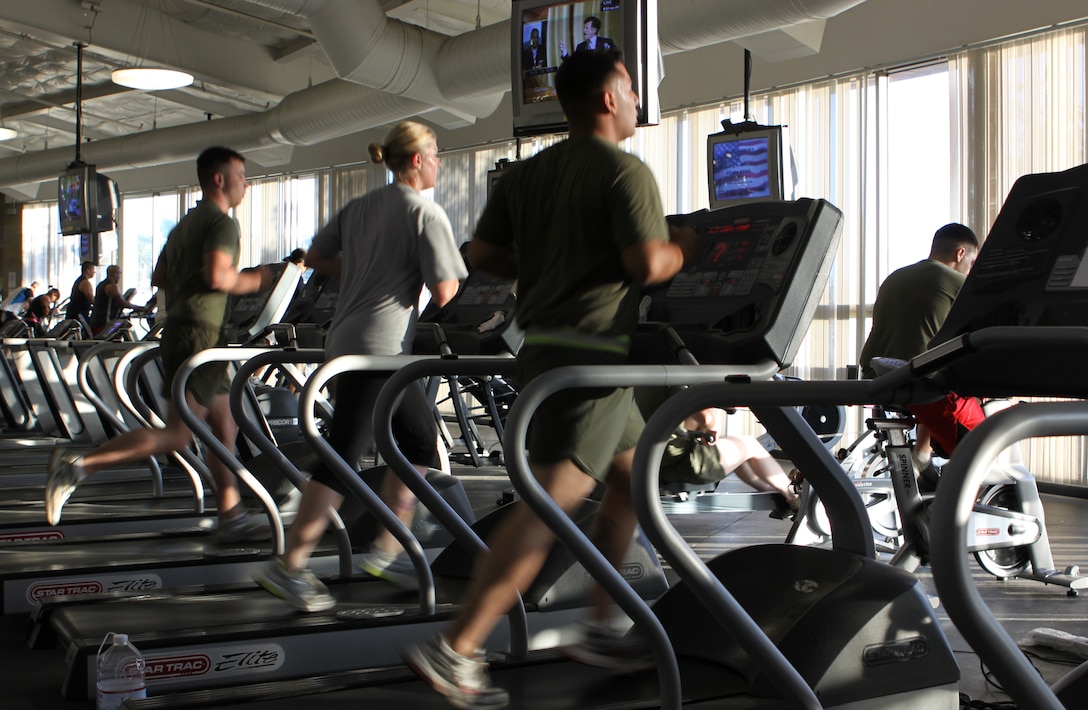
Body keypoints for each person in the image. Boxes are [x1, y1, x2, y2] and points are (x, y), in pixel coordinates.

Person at [402, 49, 699, 709]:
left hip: (553, 351)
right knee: (549, 508)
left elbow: (482, 255)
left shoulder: (527, 176)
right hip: (591, 362)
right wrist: (688, 246)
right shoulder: (626, 172)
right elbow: (647, 261)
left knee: (630, 479)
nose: (637, 102)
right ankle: (457, 648)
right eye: (631, 89)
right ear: (607, 97)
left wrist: (551, 268)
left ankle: (601, 624)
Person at [255, 121, 466, 612]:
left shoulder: (360, 207)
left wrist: (369, 272)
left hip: (347, 339)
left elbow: (318, 257)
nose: (439, 161)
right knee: (343, 453)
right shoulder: (424, 214)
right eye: (435, 152)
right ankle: (290, 564)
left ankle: (388, 548)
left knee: (417, 441)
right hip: (380, 348)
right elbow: (447, 290)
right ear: (415, 159)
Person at [45, 146, 273, 543]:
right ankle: (79, 465)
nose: (246, 184)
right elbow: (220, 277)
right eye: (241, 175)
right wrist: (259, 280)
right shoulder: (221, 223)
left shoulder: (184, 226)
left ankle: (231, 513)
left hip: (185, 332)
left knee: (225, 425)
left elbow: (160, 275)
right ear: (219, 179)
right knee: (178, 435)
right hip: (202, 336)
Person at [858, 222, 984, 463]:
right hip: (916, 384)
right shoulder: (956, 281)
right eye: (971, 264)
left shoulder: (896, 276)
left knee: (933, 371)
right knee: (982, 450)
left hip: (876, 377)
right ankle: (956, 499)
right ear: (960, 254)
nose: (969, 271)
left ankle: (922, 458)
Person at [89, 265, 141, 335]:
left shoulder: (102, 284)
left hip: (96, 322)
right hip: (104, 324)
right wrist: (139, 308)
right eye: (119, 273)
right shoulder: (111, 286)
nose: (120, 276)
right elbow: (123, 303)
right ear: (115, 274)